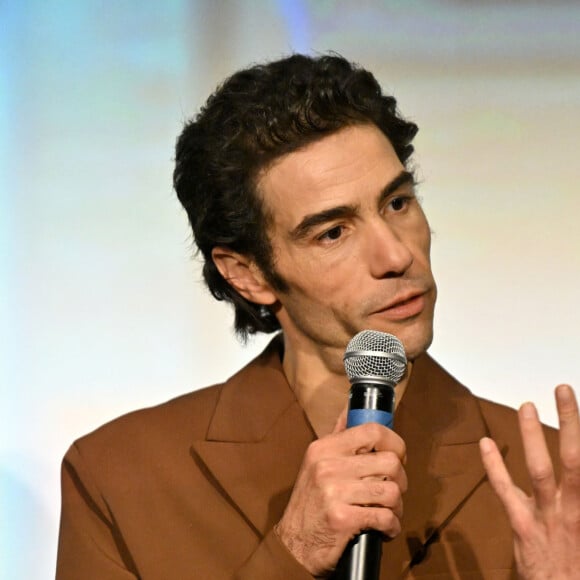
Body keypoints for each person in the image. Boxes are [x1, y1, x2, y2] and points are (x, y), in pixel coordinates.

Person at [56, 54, 580, 579]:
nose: (395, 256)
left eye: (397, 203)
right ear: (247, 274)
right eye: (333, 232)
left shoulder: (557, 482)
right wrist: (292, 552)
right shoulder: (120, 477)